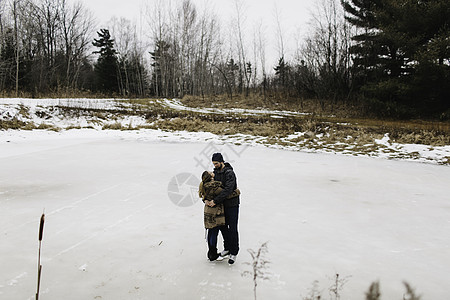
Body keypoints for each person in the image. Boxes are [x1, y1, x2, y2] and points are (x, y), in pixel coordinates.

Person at [199, 171, 240, 262]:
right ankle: (213, 254)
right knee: (214, 232)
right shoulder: (214, 186)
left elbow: (204, 196)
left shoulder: (204, 185)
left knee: (211, 232)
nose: (212, 171)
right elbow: (225, 194)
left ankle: (211, 253)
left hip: (208, 211)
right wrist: (237, 192)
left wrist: (205, 200)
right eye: (210, 172)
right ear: (210, 177)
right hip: (215, 212)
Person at [210, 152, 240, 265]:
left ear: (222, 162)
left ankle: (234, 252)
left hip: (232, 205)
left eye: (216, 163)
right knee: (223, 228)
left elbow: (228, 190)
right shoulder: (216, 172)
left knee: (232, 229)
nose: (215, 165)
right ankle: (227, 249)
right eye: (213, 163)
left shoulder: (229, 173)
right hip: (221, 205)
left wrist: (215, 200)